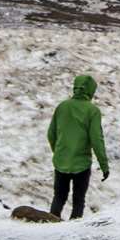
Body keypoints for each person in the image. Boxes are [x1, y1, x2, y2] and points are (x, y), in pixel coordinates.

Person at [46, 74, 109, 220]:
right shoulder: (92, 111)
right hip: (81, 163)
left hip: (61, 161)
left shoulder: (62, 107)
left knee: (59, 197)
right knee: (78, 200)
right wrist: (104, 165)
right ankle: (74, 229)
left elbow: (51, 133)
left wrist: (59, 151)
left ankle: (50, 224)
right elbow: (96, 140)